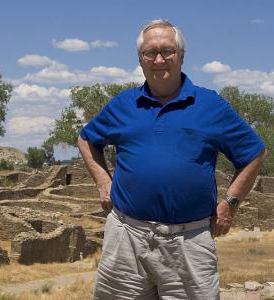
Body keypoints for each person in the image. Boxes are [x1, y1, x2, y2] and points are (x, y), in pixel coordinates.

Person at [78, 19, 268, 300]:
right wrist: (103, 182)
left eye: (167, 51)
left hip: (188, 241)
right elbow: (86, 139)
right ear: (140, 60)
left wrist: (231, 203)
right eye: (150, 53)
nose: (158, 59)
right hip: (126, 237)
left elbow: (255, 152)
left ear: (181, 56)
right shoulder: (123, 104)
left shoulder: (210, 105)